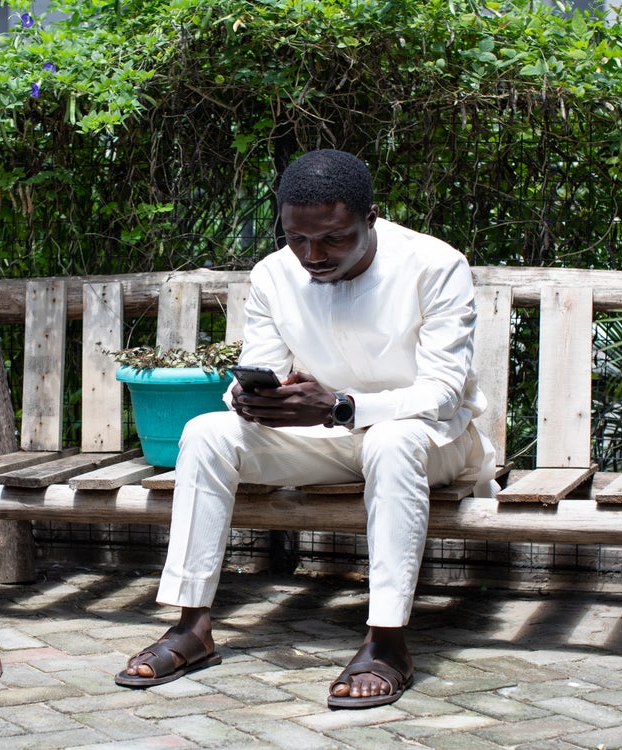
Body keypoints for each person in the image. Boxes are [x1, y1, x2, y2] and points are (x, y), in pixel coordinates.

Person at [114, 149, 497, 710]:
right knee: (206, 432)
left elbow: (440, 394)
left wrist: (341, 406)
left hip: (430, 444)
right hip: (324, 438)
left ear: (372, 219)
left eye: (334, 239)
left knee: (391, 441)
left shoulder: (435, 265)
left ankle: (387, 643)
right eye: (298, 238)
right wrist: (255, 399)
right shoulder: (274, 274)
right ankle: (191, 627)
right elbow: (258, 364)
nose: (313, 255)